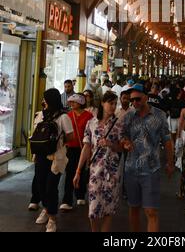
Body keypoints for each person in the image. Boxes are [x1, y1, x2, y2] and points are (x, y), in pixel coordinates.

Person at [121, 83, 174, 232]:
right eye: (132, 100)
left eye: (137, 99)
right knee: (133, 209)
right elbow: (122, 135)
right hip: (131, 169)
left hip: (151, 170)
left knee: (151, 211)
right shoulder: (129, 116)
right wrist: (124, 141)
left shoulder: (159, 115)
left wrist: (170, 163)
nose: (134, 103)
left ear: (146, 97)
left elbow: (167, 141)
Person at [73, 91, 124, 232]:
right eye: (110, 103)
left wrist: (110, 144)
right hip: (95, 170)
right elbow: (86, 147)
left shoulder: (119, 124)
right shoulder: (91, 123)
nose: (113, 106)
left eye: (115, 103)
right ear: (102, 103)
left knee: (109, 209)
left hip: (112, 171)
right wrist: (78, 171)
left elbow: (121, 148)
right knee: (93, 209)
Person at [34, 89, 74, 232]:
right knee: (41, 185)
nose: (43, 101)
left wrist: (58, 141)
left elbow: (70, 136)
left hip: (56, 158)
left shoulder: (64, 117)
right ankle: (46, 208)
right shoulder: (40, 115)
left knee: (51, 187)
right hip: (40, 156)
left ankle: (52, 218)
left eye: (45, 99)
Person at [60, 94, 93, 211]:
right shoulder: (68, 115)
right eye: (71, 102)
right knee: (69, 173)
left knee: (82, 172)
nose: (71, 103)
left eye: (74, 101)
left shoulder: (89, 116)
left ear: (81, 102)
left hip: (84, 147)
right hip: (70, 148)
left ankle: (80, 194)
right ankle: (67, 199)